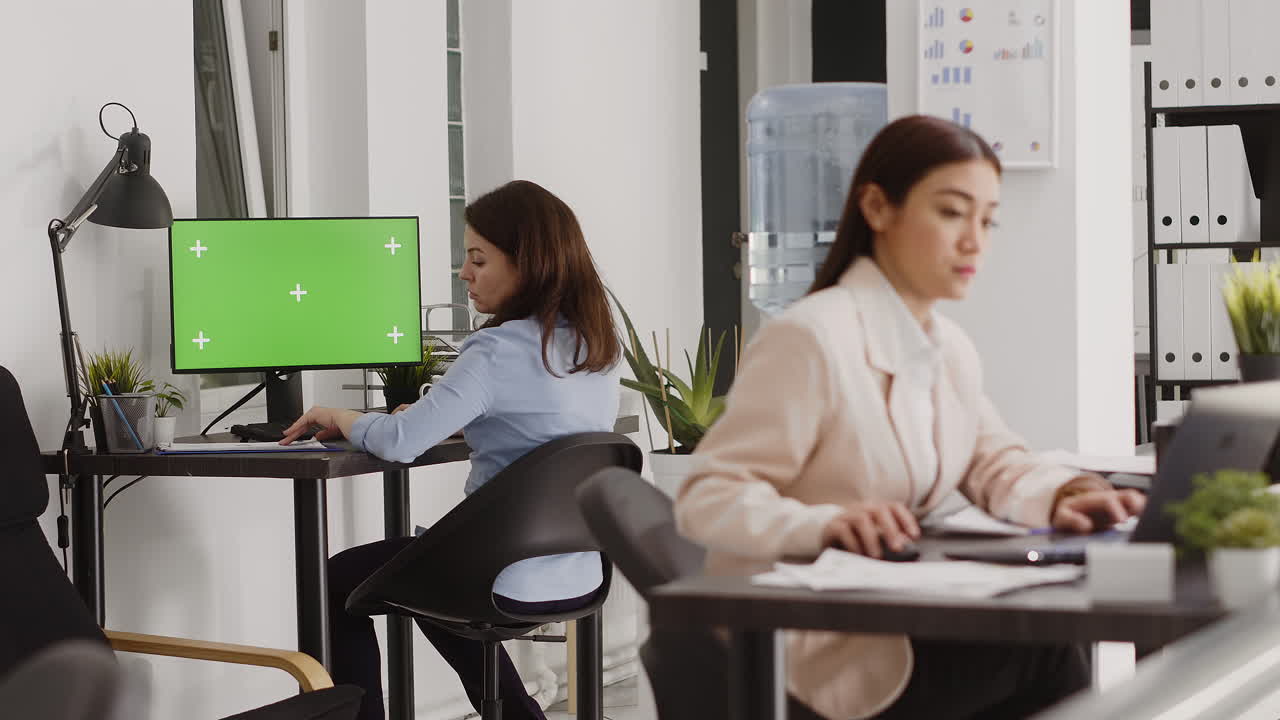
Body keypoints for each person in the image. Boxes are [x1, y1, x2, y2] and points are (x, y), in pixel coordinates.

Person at [673, 115, 1146, 720]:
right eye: (952, 213)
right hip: (815, 646)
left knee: (1049, 640)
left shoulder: (946, 346)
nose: (975, 241)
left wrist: (1064, 496)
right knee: (1046, 653)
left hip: (894, 613)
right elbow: (706, 495)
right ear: (877, 207)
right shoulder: (812, 339)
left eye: (987, 219)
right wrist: (824, 524)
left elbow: (992, 458)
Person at [280, 180, 621, 720]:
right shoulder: (594, 347)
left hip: (498, 574)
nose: (464, 273)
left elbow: (400, 444)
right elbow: (545, 433)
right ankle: (518, 714)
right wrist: (457, 423)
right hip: (578, 572)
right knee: (427, 567)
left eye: (478, 259)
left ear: (527, 264)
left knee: (338, 581)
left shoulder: (493, 351)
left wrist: (340, 415)